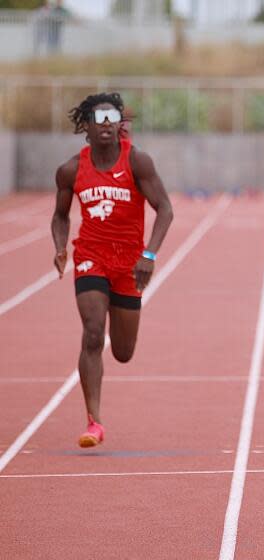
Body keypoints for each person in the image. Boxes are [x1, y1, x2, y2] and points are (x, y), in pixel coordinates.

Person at [51, 92, 174, 447]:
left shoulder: (137, 162)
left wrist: (149, 256)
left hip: (129, 263)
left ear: (120, 124)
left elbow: (164, 208)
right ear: (85, 127)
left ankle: (97, 412)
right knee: (92, 333)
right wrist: (61, 247)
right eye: (98, 119)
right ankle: (94, 422)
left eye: (111, 119)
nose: (106, 126)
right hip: (90, 255)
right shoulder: (71, 169)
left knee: (122, 351)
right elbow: (60, 215)